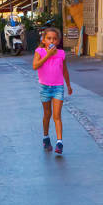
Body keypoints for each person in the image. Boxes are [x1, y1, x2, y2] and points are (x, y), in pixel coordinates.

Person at [31, 26, 72, 154]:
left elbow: (64, 70)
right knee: (47, 114)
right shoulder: (39, 51)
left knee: (57, 115)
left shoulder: (61, 54)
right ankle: (46, 137)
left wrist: (68, 85)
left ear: (58, 41)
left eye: (54, 39)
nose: (52, 41)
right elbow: (35, 66)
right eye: (49, 38)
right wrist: (47, 55)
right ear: (44, 40)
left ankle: (59, 142)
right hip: (45, 87)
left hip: (58, 87)